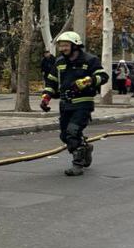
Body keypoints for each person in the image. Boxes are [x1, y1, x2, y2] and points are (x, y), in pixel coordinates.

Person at [41, 30, 110, 176]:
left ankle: (78, 164)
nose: (63, 49)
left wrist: (89, 80)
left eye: (66, 45)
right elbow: (51, 81)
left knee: (73, 132)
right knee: (65, 136)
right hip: (65, 104)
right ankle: (84, 148)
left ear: (75, 45)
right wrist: (46, 97)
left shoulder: (89, 60)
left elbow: (103, 76)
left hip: (83, 104)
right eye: (61, 46)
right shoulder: (59, 62)